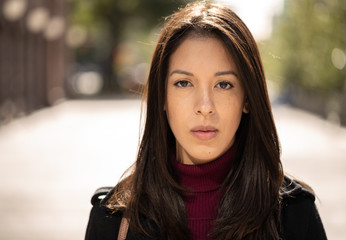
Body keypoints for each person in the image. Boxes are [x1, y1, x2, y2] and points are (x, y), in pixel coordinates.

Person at [85, 1, 327, 240]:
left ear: (247, 99)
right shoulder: (112, 221)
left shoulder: (294, 216)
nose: (204, 107)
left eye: (223, 84)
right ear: (162, 97)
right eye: (184, 83)